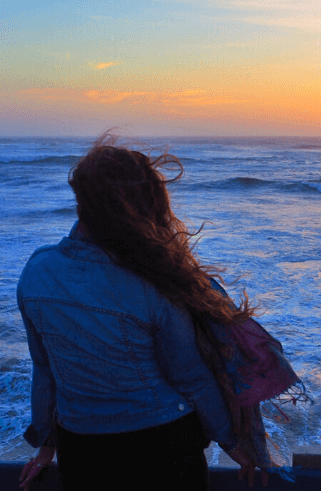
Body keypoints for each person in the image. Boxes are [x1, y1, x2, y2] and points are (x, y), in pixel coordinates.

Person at [17, 135, 268, 490]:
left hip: (82, 452)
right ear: (141, 203)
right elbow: (190, 377)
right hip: (163, 449)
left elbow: (45, 371)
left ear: (81, 200)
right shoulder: (154, 279)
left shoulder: (36, 271)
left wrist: (45, 445)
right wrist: (233, 442)